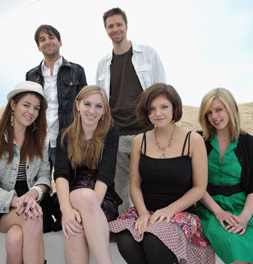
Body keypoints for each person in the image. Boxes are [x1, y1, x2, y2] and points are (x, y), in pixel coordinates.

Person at [109, 83, 215, 264]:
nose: (158, 113)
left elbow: (199, 188)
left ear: (174, 108)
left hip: (179, 213)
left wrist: (169, 210)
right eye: (152, 109)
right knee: (126, 240)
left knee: (153, 239)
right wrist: (143, 213)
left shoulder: (193, 140)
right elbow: (134, 184)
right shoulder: (139, 141)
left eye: (164, 107)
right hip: (146, 212)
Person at [196, 88, 253, 264]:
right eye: (209, 112)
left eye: (219, 109)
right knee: (237, 253)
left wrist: (245, 217)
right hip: (211, 207)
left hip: (247, 206)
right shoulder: (199, 141)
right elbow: (197, 185)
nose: (214, 116)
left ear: (232, 108)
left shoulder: (250, 143)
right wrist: (219, 212)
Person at [96, 7, 167, 214]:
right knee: (121, 188)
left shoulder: (148, 53)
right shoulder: (102, 64)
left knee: (150, 183)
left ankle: (152, 229)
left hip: (146, 132)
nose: (115, 29)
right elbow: (100, 102)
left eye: (119, 24)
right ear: (106, 30)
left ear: (126, 26)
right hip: (116, 134)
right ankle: (125, 231)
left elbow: (161, 89)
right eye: (111, 26)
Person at [0, 81, 51, 264]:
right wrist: (17, 200)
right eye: (26, 105)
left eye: (36, 108)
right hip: (3, 207)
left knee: (15, 239)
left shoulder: (41, 141)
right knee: (32, 216)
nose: (31, 112)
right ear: (13, 104)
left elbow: (44, 176)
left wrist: (32, 194)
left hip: (32, 203)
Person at [54, 85, 121, 264]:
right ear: (77, 105)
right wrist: (66, 210)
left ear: (104, 110)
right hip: (71, 196)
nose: (92, 110)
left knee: (76, 228)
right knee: (77, 211)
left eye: (99, 106)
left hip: (102, 198)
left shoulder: (110, 132)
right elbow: (61, 176)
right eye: (87, 104)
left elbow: (106, 174)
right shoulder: (65, 135)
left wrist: (91, 208)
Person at [26, 24, 87, 174]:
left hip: (68, 141)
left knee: (69, 185)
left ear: (60, 42)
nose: (47, 41)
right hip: (39, 142)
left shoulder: (76, 71)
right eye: (42, 39)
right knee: (38, 187)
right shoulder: (31, 76)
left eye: (51, 37)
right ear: (38, 47)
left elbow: (85, 109)